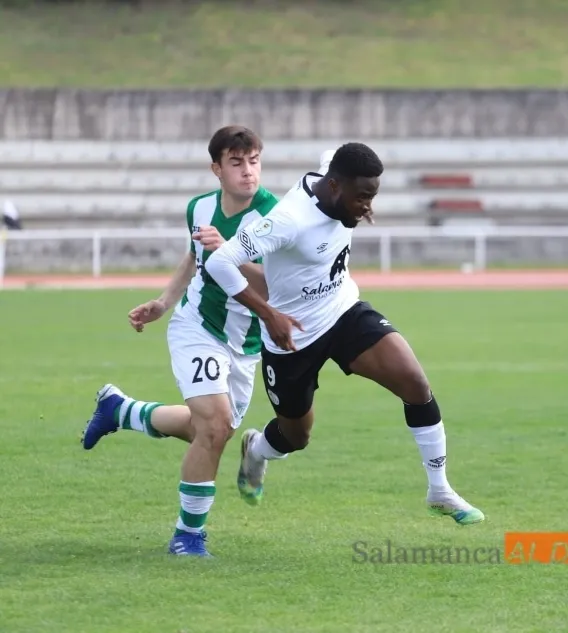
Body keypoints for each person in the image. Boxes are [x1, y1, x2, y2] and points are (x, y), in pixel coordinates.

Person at [203, 142, 484, 527]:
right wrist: (268, 315)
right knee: (295, 436)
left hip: (343, 311)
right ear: (335, 186)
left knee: (415, 383)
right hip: (293, 337)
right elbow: (220, 262)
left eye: (373, 195)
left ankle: (439, 489)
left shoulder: (336, 173)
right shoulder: (288, 220)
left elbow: (336, 151)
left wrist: (360, 198)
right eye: (361, 197)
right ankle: (256, 449)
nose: (367, 205)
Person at [81, 125, 279, 557]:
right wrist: (164, 301)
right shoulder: (199, 208)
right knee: (213, 426)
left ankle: (122, 410)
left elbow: (273, 290)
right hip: (198, 327)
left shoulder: (272, 218)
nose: (248, 171)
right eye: (236, 162)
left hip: (245, 344)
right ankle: (188, 536)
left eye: (254, 161)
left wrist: (230, 250)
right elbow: (194, 256)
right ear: (217, 169)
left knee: (210, 430)